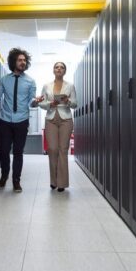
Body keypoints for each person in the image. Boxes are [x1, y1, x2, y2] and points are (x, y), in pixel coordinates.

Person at [0, 48, 37, 192]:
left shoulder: (30, 81)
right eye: (19, 60)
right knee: (4, 150)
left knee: (18, 151)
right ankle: (4, 175)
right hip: (5, 120)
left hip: (22, 120)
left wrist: (36, 102)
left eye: (24, 60)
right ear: (13, 62)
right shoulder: (4, 80)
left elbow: (31, 101)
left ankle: (16, 180)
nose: (23, 62)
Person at [34, 62, 77, 192]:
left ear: (65, 71)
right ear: (53, 70)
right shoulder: (46, 86)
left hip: (66, 119)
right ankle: (53, 181)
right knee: (52, 149)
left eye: (62, 67)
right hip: (51, 118)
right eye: (56, 67)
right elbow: (41, 103)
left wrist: (68, 101)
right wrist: (49, 104)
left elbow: (75, 104)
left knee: (63, 150)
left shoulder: (70, 86)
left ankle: (62, 183)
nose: (59, 69)